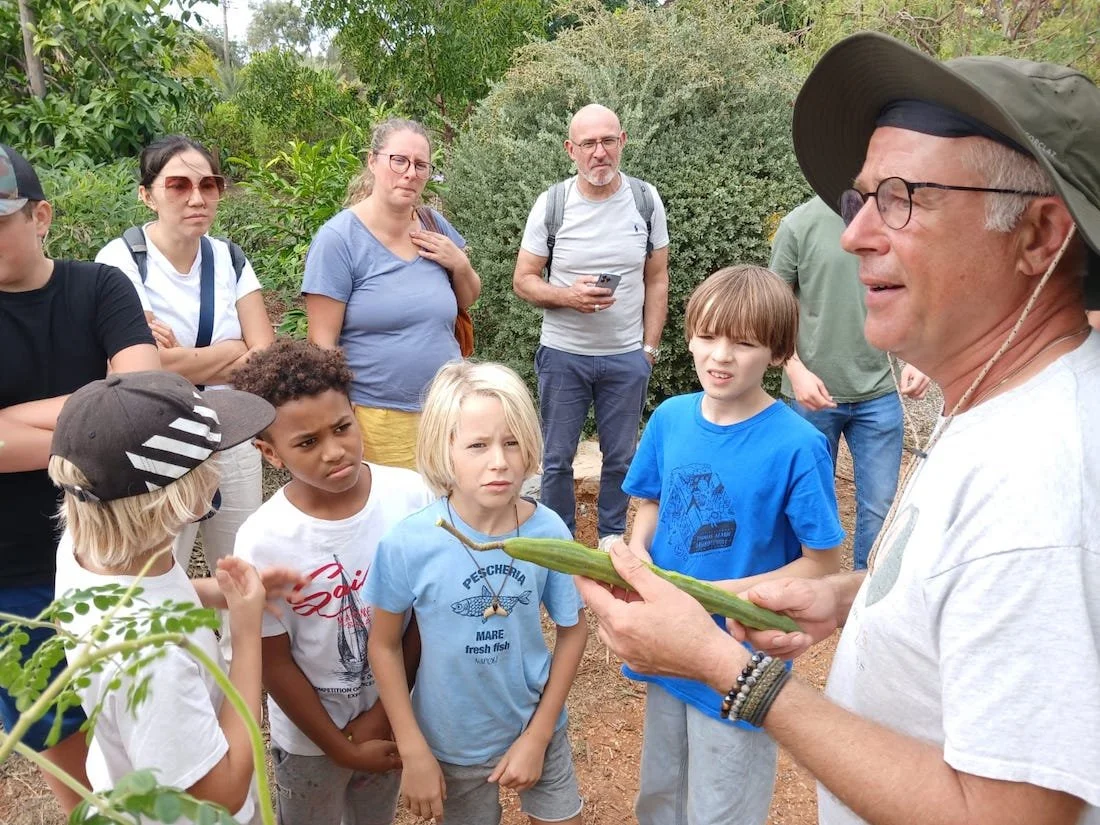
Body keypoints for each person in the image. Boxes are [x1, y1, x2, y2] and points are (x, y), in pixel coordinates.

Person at [577, 32, 1100, 825]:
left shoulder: (1038, 486)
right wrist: (856, 597)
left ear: (1038, 236)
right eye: (863, 199)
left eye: (903, 196)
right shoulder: (1004, 409)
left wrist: (729, 668)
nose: (854, 233)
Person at [620, 265, 843, 825]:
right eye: (708, 336)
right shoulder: (670, 419)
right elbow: (651, 502)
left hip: (739, 660)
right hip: (668, 643)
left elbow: (822, 564)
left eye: (743, 343)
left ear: (776, 353)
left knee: (721, 806)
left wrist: (719, 592)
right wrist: (639, 549)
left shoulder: (798, 446)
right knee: (661, 794)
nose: (720, 356)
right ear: (689, 336)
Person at [48, 370, 296, 823]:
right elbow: (220, 793)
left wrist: (218, 594)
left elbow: (144, 597)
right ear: (183, 498)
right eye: (213, 461)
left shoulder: (86, 546)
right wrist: (245, 635)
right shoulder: (153, 657)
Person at [0, 143, 159, 812]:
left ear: (42, 215)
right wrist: (98, 411)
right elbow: (120, 412)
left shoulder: (99, 287)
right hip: (15, 570)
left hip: (116, 555)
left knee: (143, 732)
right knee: (67, 755)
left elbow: (148, 398)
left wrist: (13, 422)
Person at [365, 361, 587, 825]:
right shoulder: (408, 543)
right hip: (451, 742)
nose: (499, 461)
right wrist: (413, 749)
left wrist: (540, 733)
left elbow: (573, 631)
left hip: (535, 725)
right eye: (478, 445)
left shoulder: (549, 532)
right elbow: (383, 646)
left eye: (511, 442)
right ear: (443, 450)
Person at [231, 339, 435, 825]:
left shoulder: (411, 497)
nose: (335, 451)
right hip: (307, 741)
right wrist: (337, 747)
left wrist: (381, 717)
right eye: (307, 442)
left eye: (343, 427)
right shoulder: (261, 539)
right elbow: (273, 663)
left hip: (390, 718)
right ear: (269, 451)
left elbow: (421, 620)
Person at [95, 135, 275, 576]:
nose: (197, 198)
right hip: (157, 436)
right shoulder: (120, 263)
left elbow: (266, 354)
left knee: (240, 563)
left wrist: (178, 357)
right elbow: (136, 368)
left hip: (232, 433)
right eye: (177, 185)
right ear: (147, 195)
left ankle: (239, 648)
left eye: (208, 185)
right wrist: (232, 352)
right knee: (159, 566)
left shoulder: (228, 258)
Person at [513, 103, 670, 550]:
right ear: (571, 150)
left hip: (626, 357)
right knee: (557, 459)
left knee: (621, 458)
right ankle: (560, 541)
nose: (599, 152)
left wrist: (649, 350)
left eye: (607, 141)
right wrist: (567, 296)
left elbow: (657, 278)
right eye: (588, 144)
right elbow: (523, 280)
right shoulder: (553, 203)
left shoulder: (645, 199)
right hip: (563, 355)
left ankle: (611, 540)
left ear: (622, 142)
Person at [304, 118, 481, 471]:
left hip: (448, 410)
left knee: (447, 513)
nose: (410, 173)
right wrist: (338, 416)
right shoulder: (339, 240)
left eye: (420, 165)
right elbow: (322, 341)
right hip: (378, 418)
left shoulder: (434, 224)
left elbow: (469, 299)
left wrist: (459, 264)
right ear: (373, 161)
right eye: (398, 160)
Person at [770, 196, 930, 569]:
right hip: (809, 397)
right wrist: (794, 368)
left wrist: (919, 355)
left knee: (881, 507)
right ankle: (805, 593)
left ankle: (863, 600)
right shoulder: (798, 225)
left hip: (880, 394)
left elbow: (919, 292)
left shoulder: (898, 221)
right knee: (803, 503)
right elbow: (772, 310)